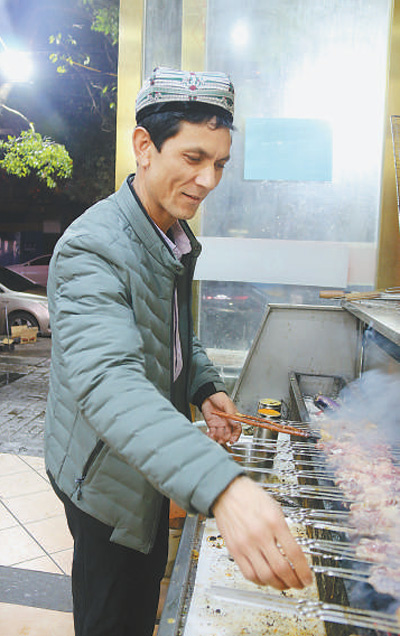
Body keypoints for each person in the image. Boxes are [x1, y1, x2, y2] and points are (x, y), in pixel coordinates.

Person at [45, 67, 312, 636]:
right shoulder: (92, 249)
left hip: (146, 461)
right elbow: (110, 384)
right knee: (113, 612)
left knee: (145, 597)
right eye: (193, 158)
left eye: (219, 164)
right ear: (144, 146)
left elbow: (173, 332)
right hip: (104, 478)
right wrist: (224, 487)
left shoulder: (169, 233)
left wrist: (203, 386)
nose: (209, 179)